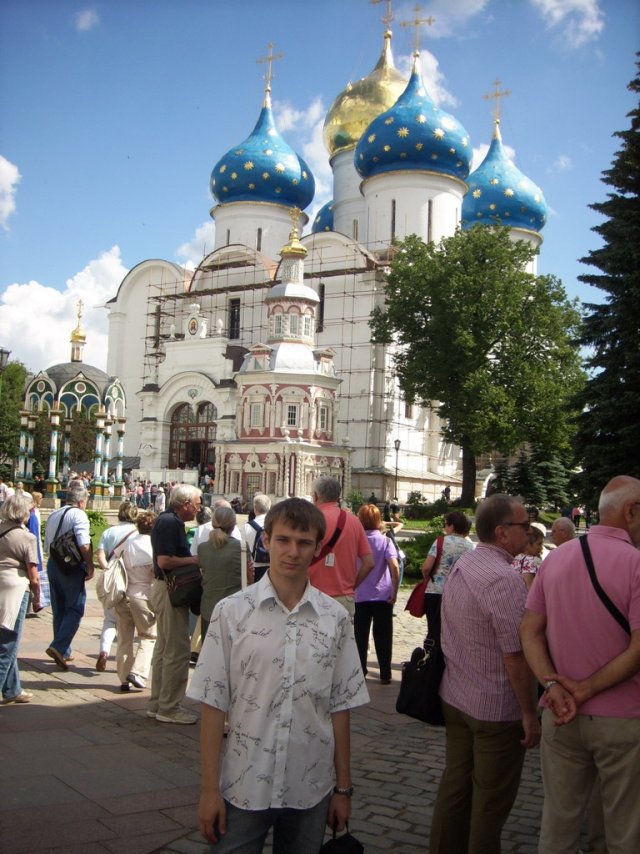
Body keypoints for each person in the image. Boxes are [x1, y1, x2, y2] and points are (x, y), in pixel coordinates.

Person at [189, 497, 369, 853]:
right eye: (284, 540)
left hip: (309, 785)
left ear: (318, 548)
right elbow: (213, 705)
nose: (293, 552)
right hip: (244, 783)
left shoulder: (334, 619)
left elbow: (340, 707)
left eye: (304, 543)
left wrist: (343, 788)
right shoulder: (232, 614)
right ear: (266, 541)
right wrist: (210, 790)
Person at [520, 475, 640, 853]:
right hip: (622, 720)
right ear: (632, 511)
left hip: (559, 714)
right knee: (623, 830)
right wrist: (585, 689)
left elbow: (529, 631)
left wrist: (553, 686)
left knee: (558, 826)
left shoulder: (556, 560)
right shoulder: (636, 564)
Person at [429, 494, 540, 854]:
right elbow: (515, 655)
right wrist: (528, 711)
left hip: (457, 697)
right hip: (494, 709)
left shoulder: (466, 564)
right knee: (489, 806)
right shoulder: (504, 579)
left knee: (455, 791)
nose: (529, 530)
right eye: (524, 525)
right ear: (502, 532)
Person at [147, 483, 202, 725]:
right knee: (177, 649)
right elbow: (165, 560)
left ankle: (158, 702)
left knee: (164, 646)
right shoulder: (171, 523)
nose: (199, 509)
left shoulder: (166, 520)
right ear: (186, 504)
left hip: (162, 587)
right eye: (198, 504)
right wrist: (195, 560)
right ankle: (169, 707)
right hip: (170, 589)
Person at [44, 482, 93, 670]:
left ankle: (63, 649)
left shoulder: (54, 513)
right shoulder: (79, 515)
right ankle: (59, 646)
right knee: (75, 608)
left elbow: (48, 540)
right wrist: (89, 565)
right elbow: (84, 544)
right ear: (81, 502)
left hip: (53, 563)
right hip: (70, 566)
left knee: (59, 608)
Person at [308, 475, 374, 618]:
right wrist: (351, 586)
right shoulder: (354, 521)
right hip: (344, 599)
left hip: (312, 593)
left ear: (315, 496)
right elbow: (369, 563)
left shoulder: (310, 520)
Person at [353, 503, 399, 684]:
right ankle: (386, 673)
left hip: (360, 595)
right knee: (384, 635)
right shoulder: (385, 540)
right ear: (379, 520)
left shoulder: (356, 541)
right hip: (383, 595)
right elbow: (394, 566)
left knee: (360, 636)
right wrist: (394, 591)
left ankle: (360, 671)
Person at [0, 493, 39, 704]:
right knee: (9, 642)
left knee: (5, 637)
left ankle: (12, 689)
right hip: (16, 588)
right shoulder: (27, 537)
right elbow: (34, 575)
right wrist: (38, 597)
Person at [114, 510, 157, 692]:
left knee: (124, 637)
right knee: (148, 636)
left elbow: (113, 558)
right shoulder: (153, 546)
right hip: (143, 594)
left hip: (123, 594)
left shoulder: (128, 541)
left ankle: (124, 678)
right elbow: (153, 573)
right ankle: (138, 673)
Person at [94, 501, 139, 672]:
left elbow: (100, 556)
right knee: (130, 626)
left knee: (110, 620)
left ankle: (104, 651)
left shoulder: (108, 532)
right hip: (132, 581)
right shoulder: (137, 533)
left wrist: (108, 570)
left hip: (114, 582)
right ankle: (128, 663)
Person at [420, 511, 474, 644]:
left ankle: (431, 659)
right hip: (457, 594)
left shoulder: (440, 541)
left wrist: (427, 576)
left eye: (445, 525)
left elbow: (426, 567)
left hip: (435, 591)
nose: (444, 528)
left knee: (433, 630)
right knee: (451, 631)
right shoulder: (470, 546)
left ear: (452, 526)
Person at [198, 505, 242, 640]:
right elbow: (249, 578)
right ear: (233, 525)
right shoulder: (240, 547)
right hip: (234, 608)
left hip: (209, 607)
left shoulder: (203, 548)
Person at [244, 493, 271, 583]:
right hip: (273, 566)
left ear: (255, 509)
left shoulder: (247, 526)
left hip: (254, 567)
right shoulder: (275, 525)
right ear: (269, 508)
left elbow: (243, 548)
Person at [511, 525, 545, 590]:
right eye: (539, 544)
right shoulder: (529, 560)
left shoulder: (514, 558)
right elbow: (529, 587)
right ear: (527, 544)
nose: (541, 547)